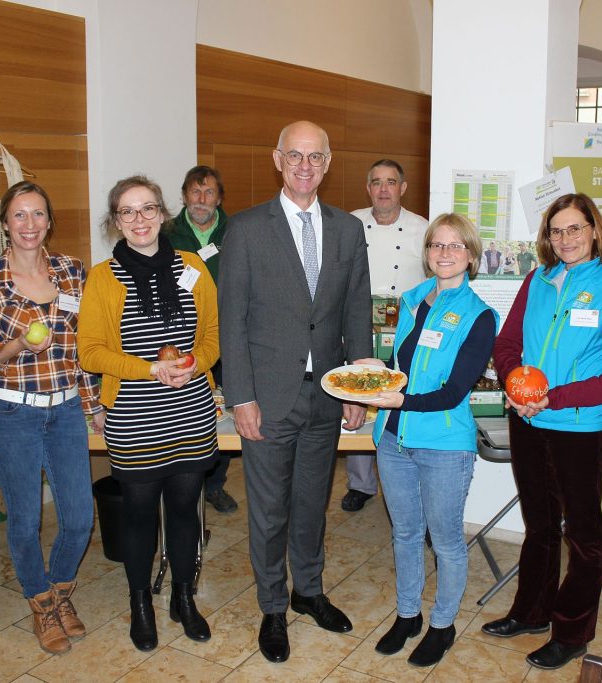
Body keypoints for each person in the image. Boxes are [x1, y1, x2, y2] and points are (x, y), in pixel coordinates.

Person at [218, 120, 372, 664]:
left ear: (328, 164)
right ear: (277, 160)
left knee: (312, 503)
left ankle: (308, 591)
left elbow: (357, 315)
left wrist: (358, 388)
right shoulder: (246, 229)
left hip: (328, 394)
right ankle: (272, 607)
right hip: (267, 395)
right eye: (295, 156)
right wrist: (241, 398)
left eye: (316, 157)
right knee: (269, 509)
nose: (305, 166)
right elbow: (231, 319)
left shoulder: (349, 231)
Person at [484, 193, 602, 670]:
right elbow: (507, 342)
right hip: (528, 420)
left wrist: (554, 396)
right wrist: (517, 382)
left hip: (577, 426)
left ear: (595, 231)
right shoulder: (537, 279)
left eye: (575, 228)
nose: (566, 238)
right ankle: (532, 611)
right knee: (540, 525)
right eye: (557, 230)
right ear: (547, 237)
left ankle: (572, 631)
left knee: (584, 534)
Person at [78, 175, 219, 651]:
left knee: (184, 511)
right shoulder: (101, 277)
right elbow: (90, 353)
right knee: (139, 516)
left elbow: (213, 339)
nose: (139, 220)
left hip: (192, 409)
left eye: (147, 209)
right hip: (135, 418)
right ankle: (140, 604)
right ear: (115, 221)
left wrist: (194, 364)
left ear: (163, 214)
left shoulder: (194, 266)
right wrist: (150, 369)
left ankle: (183, 597)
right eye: (127, 211)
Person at [0, 181, 102, 655]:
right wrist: (20, 343)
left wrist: (92, 404)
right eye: (19, 215)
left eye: (38, 214)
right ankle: (41, 604)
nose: (29, 225)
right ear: (4, 223)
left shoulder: (72, 272)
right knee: (24, 521)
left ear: (49, 220)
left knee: (80, 518)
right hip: (9, 413)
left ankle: (60, 592)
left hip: (64, 408)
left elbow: (82, 349)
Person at [359, 213, 496, 667]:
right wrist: (375, 385)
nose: (444, 253)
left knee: (446, 540)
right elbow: (401, 365)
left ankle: (442, 624)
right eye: (437, 244)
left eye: (455, 246)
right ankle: (407, 614)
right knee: (404, 533)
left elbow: (454, 391)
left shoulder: (479, 317)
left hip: (443, 444)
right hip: (393, 439)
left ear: (471, 256)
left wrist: (398, 401)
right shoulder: (413, 299)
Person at [343, 159, 430, 513]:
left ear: (402, 188)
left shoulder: (422, 229)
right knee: (359, 394)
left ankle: (406, 475)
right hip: (358, 323)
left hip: (404, 329)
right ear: (368, 188)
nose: (383, 189)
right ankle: (360, 484)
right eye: (376, 182)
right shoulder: (349, 223)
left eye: (390, 182)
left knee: (398, 395)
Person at [163, 165, 237, 514]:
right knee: (184, 411)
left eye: (209, 192)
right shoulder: (166, 234)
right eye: (195, 192)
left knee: (224, 411)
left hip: (230, 336)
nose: (202, 199)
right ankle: (181, 483)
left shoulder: (237, 231)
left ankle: (215, 484)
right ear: (184, 196)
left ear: (219, 198)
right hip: (181, 338)